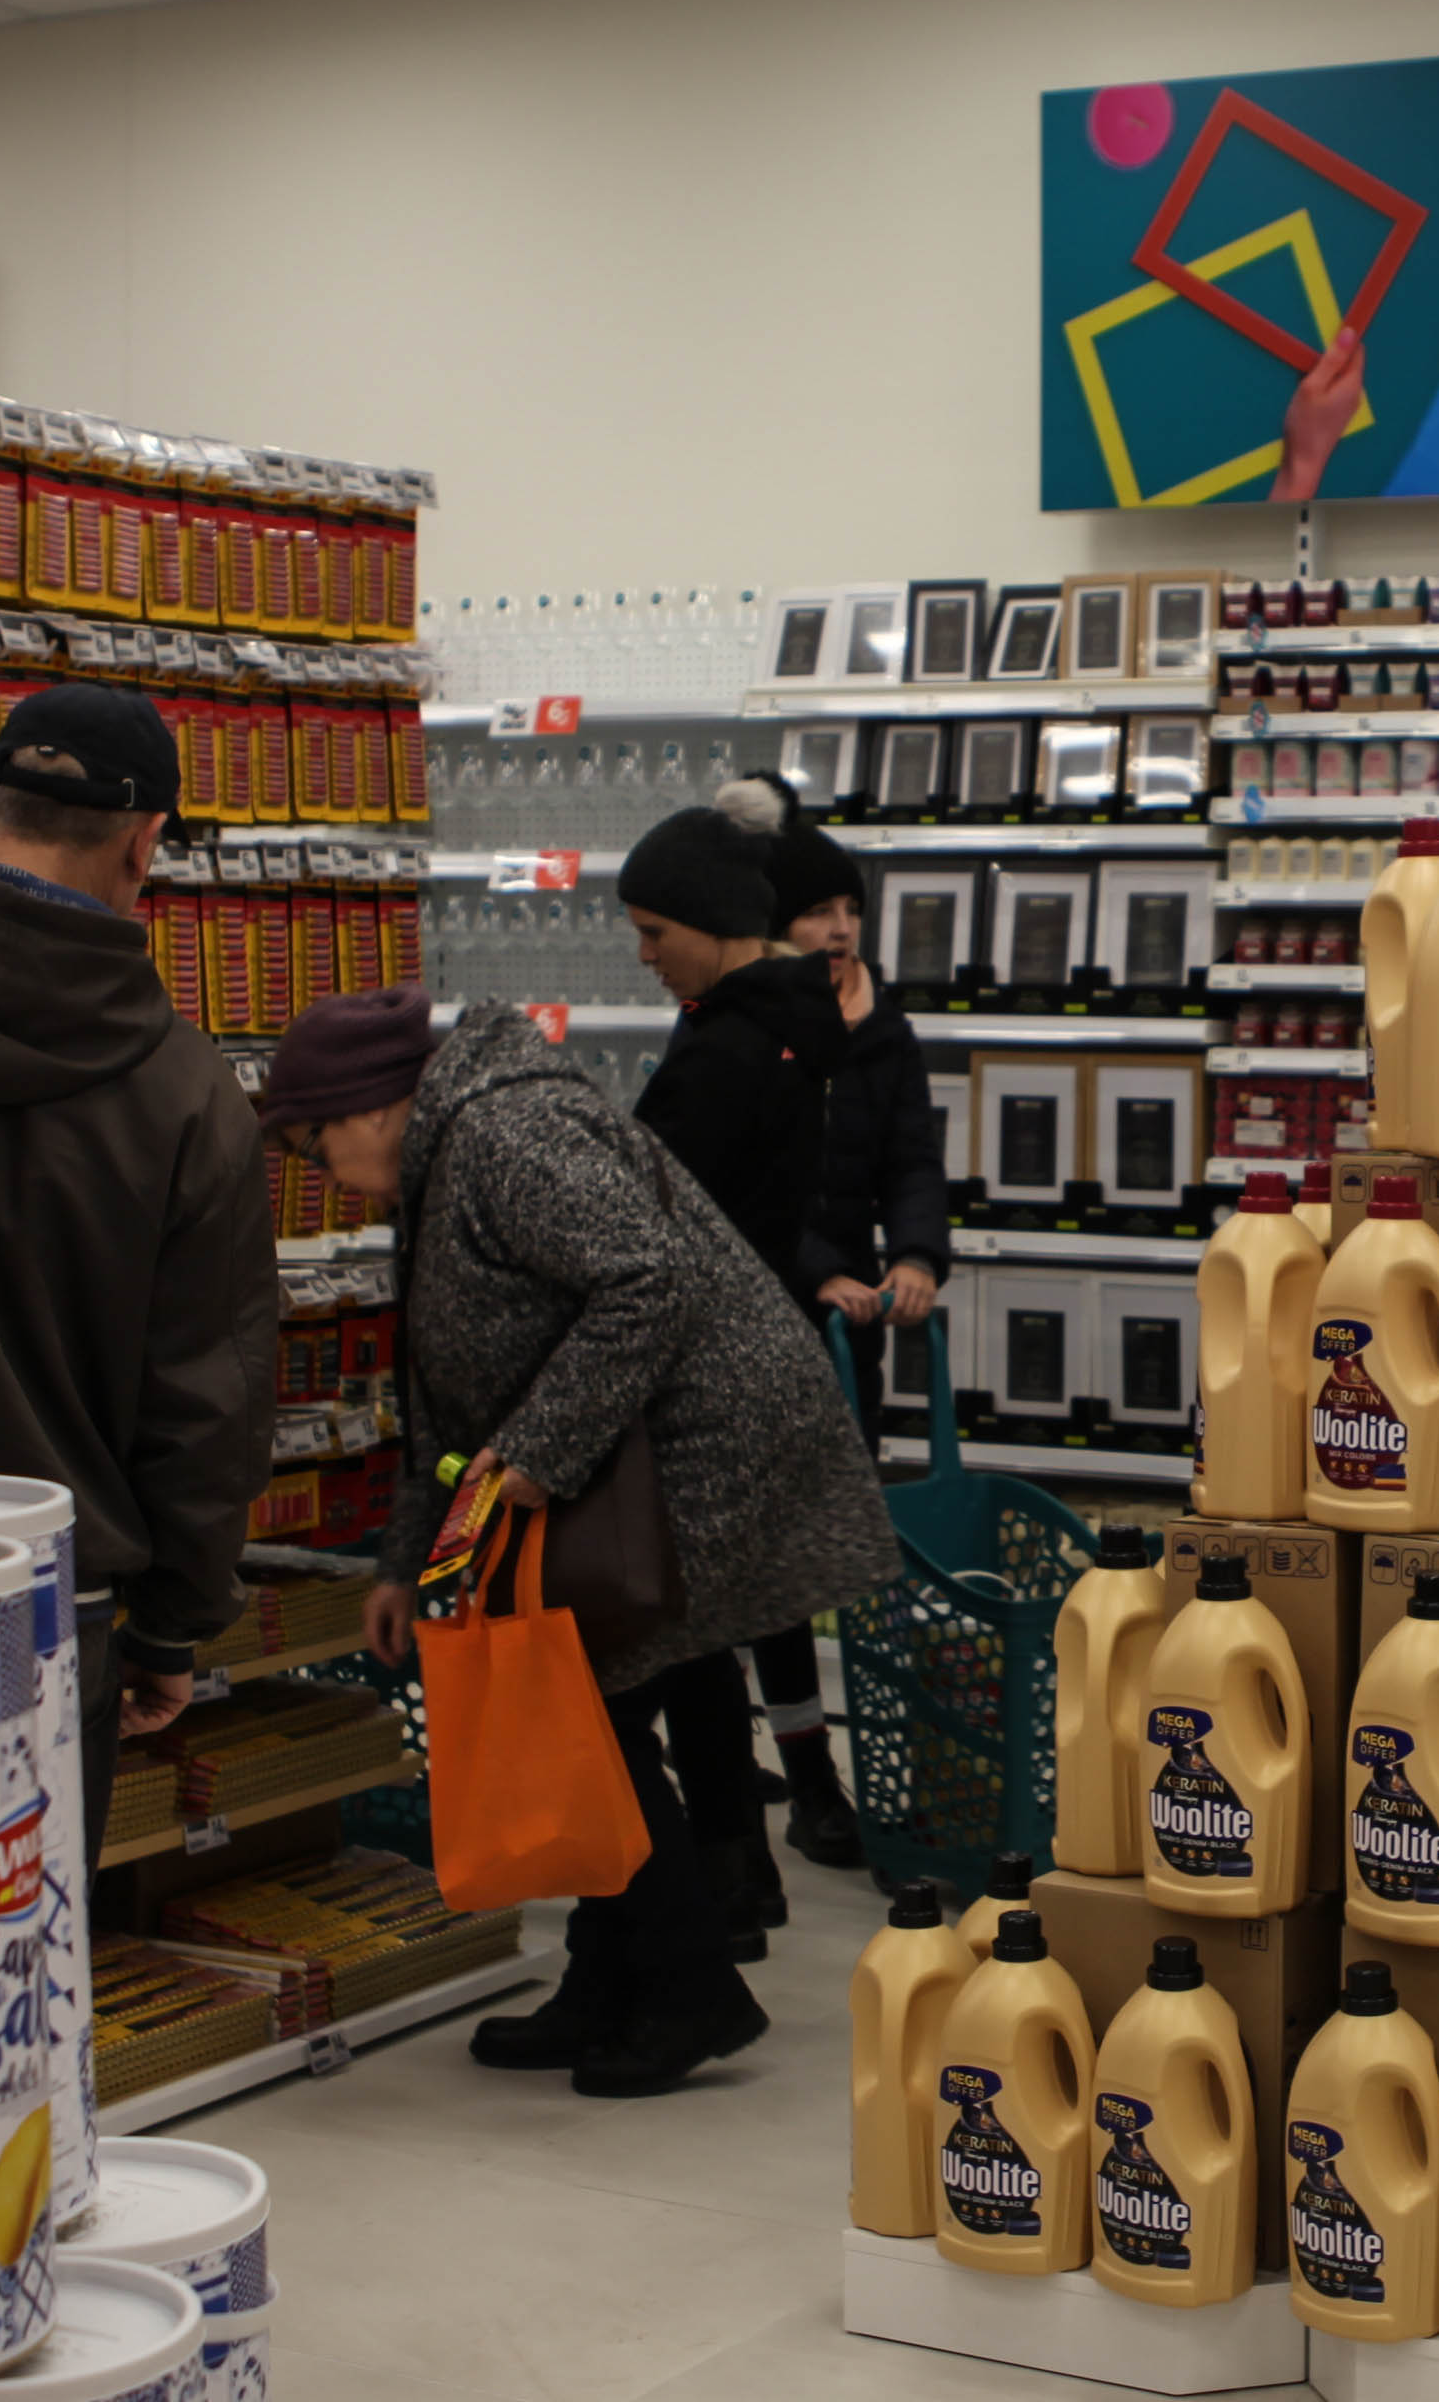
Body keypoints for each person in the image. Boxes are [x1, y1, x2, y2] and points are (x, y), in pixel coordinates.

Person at [265, 982, 896, 2097]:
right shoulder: (446, 1156)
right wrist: (410, 1559)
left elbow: (645, 1280)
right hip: (632, 1455)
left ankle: (689, 1991)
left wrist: (539, 1451)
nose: (324, 1178)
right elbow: (445, 1397)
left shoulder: (506, 1131)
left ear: (370, 1106)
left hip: (705, 1445)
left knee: (581, 1708)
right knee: (589, 1710)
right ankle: (611, 1981)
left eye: (317, 1150)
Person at [0, 682, 280, 1870]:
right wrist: (174, 1626)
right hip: (58, 1599)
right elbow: (205, 1392)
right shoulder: (185, 1093)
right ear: (144, 843)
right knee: (23, 1925)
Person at [599, 791, 857, 1949]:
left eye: (656, 932)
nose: (645, 956)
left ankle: (693, 1897)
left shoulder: (729, 1051)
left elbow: (652, 1218)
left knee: (658, 1652)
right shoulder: (779, 1022)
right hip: (751, 1359)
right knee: (698, 1641)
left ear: (710, 922)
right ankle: (732, 1883)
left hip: (698, 1371)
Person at [752, 787, 942, 1869]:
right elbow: (740, 1184)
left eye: (849, 910)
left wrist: (915, 1254)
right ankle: (809, 1775)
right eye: (816, 912)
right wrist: (819, 1268)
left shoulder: (888, 1030)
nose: (838, 929)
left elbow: (912, 1155)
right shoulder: (751, 1032)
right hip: (764, 1310)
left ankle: (890, 1760)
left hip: (852, 1320)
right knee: (778, 1558)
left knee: (847, 1543)